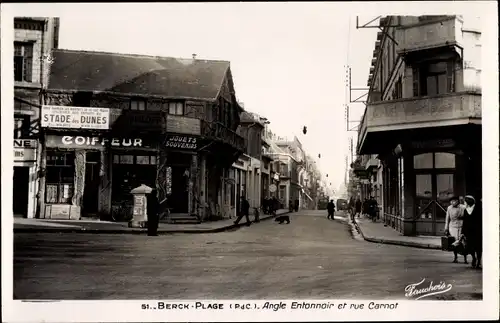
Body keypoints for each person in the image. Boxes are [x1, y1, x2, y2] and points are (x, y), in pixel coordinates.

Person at [461, 195, 482, 269]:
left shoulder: (478, 209)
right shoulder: (465, 210)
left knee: (478, 247)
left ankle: (479, 261)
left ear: (468, 202)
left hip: (477, 231)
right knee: (470, 247)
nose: (464, 203)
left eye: (465, 201)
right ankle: (474, 258)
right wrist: (462, 232)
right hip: (469, 232)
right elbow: (465, 222)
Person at [444, 196, 465, 263]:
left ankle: (465, 257)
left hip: (461, 225)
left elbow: (465, 216)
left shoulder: (463, 207)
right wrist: (446, 228)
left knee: (462, 240)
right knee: (455, 240)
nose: (453, 202)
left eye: (455, 201)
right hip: (452, 226)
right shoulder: (449, 208)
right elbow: (447, 219)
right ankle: (455, 257)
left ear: (458, 201)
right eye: (452, 201)